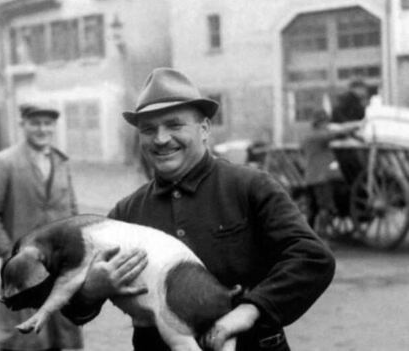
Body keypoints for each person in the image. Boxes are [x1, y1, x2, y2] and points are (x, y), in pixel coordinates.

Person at [62, 68, 336, 351]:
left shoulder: (250, 187)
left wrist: (249, 311)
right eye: (148, 129)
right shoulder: (127, 213)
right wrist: (91, 289)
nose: (160, 138)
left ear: (204, 129)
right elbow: (74, 307)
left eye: (174, 125)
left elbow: (312, 259)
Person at [0, 103, 83, 351]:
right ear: (23, 125)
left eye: (47, 124)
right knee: (23, 340)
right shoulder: (4, 162)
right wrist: (9, 254)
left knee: (62, 337)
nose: (42, 129)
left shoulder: (61, 162)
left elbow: (74, 212)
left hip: (60, 269)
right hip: (23, 273)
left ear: (54, 127)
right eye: (35, 123)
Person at [301, 109, 361, 228]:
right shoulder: (320, 136)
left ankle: (308, 236)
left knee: (312, 210)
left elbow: (302, 151)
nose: (327, 125)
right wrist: (357, 126)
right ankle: (322, 238)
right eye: (325, 122)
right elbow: (338, 134)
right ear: (320, 123)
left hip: (310, 178)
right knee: (326, 208)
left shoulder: (307, 137)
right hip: (322, 179)